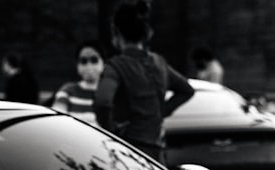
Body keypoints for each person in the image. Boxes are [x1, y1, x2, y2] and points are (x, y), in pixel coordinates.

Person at [94, 1, 194, 161]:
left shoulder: (116, 66)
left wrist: (111, 131)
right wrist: (161, 112)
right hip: (157, 152)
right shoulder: (159, 62)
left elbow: (103, 103)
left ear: (117, 32)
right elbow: (187, 90)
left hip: (129, 152)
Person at [51, 40, 105, 124]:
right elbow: (57, 121)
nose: (89, 65)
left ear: (103, 62)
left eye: (94, 60)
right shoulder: (68, 91)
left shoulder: (109, 92)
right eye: (83, 61)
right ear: (77, 65)